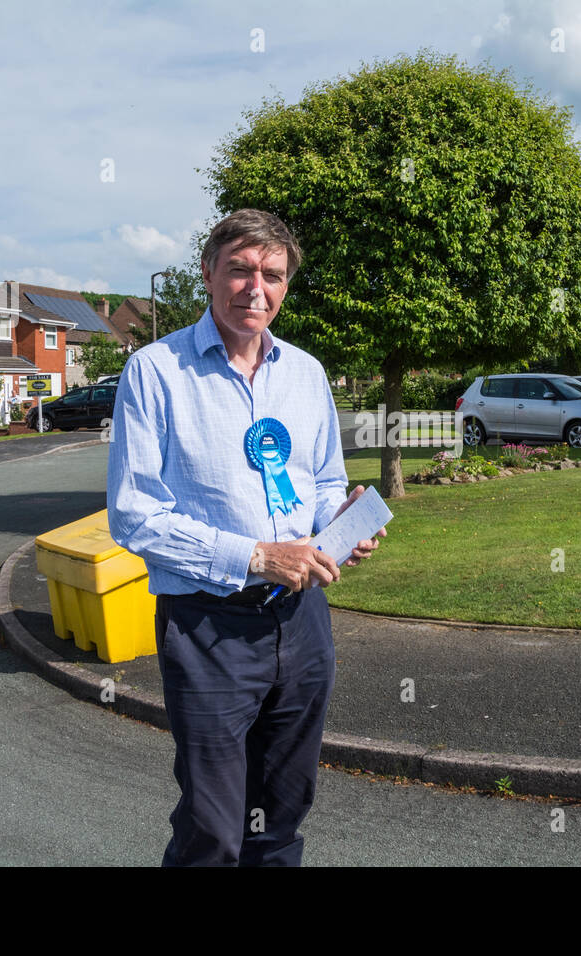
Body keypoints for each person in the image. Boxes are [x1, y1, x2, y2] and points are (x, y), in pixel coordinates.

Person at [106, 208, 385, 866]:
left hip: (302, 623)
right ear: (209, 274)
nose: (255, 286)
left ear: (286, 286)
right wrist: (256, 556)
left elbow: (320, 480)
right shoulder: (154, 372)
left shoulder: (307, 374)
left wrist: (336, 526)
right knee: (213, 830)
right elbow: (133, 513)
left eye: (273, 274)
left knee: (282, 820)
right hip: (209, 630)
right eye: (240, 269)